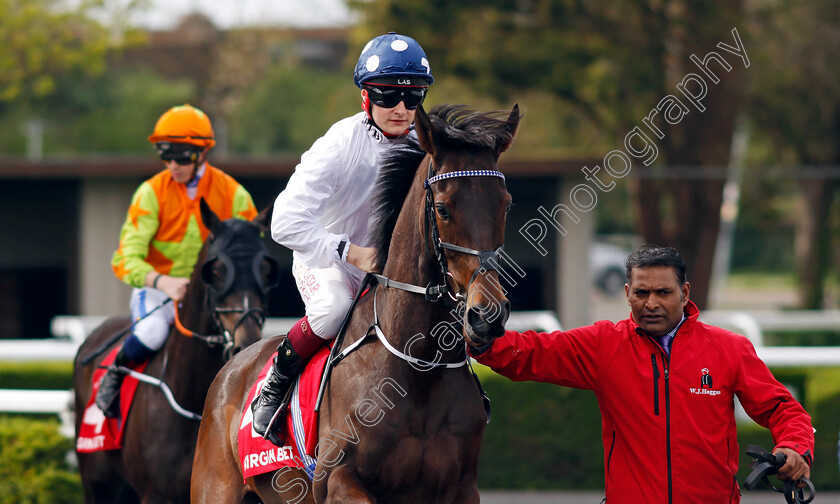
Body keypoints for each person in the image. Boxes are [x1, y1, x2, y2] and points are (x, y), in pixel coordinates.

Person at [468, 245, 814, 503]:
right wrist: (482, 339)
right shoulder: (604, 344)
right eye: (641, 293)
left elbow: (783, 409)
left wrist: (795, 447)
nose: (651, 303)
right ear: (626, 294)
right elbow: (529, 354)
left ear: (685, 293)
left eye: (663, 292)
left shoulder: (729, 348)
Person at [250, 32, 434, 445]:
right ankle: (276, 384)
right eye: (388, 96)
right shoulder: (337, 145)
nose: (401, 109)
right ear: (365, 97)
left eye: (413, 96)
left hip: (391, 268)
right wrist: (352, 253)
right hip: (330, 261)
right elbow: (284, 222)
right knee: (333, 310)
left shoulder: (429, 144)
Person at [95, 104, 257, 417]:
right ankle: (114, 373)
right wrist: (163, 282)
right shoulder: (150, 193)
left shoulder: (234, 194)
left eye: (181, 157)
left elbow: (248, 253)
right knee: (152, 332)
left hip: (211, 295)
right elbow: (125, 259)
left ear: (202, 152)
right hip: (159, 291)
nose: (173, 165)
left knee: (244, 339)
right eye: (165, 156)